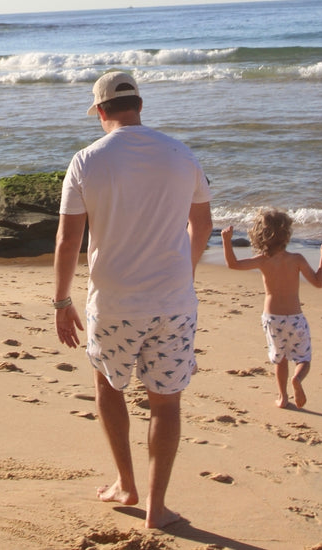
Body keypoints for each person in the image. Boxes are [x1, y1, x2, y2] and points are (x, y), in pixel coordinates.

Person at [53, 71, 213, 529]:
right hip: (174, 301)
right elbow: (202, 224)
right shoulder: (181, 154)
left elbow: (68, 240)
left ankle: (126, 484)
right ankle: (157, 508)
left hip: (115, 302)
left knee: (109, 386)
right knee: (166, 403)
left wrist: (61, 301)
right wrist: (186, 270)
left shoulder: (86, 161)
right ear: (140, 106)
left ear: (100, 112)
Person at [221, 208, 322, 409]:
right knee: (303, 358)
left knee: (280, 359)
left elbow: (233, 264)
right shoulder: (297, 259)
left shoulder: (263, 260)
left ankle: (283, 397)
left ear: (259, 235)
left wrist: (226, 241)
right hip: (295, 318)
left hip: (272, 318)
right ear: (287, 234)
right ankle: (297, 378)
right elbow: (318, 282)